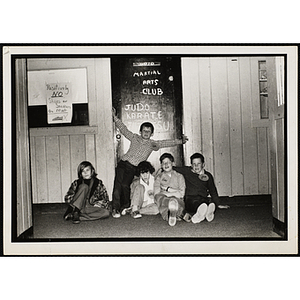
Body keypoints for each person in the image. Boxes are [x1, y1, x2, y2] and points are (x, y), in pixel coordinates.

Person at [111, 108, 188, 218]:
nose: (146, 133)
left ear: (152, 134)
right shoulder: (134, 137)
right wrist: (115, 117)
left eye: (148, 131)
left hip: (133, 167)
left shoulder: (152, 144)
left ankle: (126, 206)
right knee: (117, 185)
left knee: (125, 185)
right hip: (123, 163)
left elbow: (165, 143)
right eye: (144, 131)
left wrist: (180, 141)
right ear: (140, 132)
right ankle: (115, 208)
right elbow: (124, 130)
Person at [174, 153, 219, 224]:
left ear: (203, 165)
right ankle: (199, 215)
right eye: (194, 164)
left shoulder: (208, 175)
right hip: (190, 199)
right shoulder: (187, 171)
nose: (196, 166)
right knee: (198, 203)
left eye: (198, 164)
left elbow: (213, 190)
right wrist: (161, 169)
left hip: (203, 198)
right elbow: (174, 168)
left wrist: (217, 204)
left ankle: (208, 213)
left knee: (209, 202)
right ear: (191, 165)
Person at [154, 153, 186, 226]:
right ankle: (175, 214)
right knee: (161, 200)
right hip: (163, 201)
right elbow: (156, 194)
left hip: (178, 200)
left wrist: (167, 191)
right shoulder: (159, 177)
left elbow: (182, 194)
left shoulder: (179, 176)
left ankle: (172, 214)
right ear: (161, 166)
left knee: (177, 202)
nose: (166, 165)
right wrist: (175, 192)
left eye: (168, 162)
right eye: (163, 163)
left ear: (173, 163)